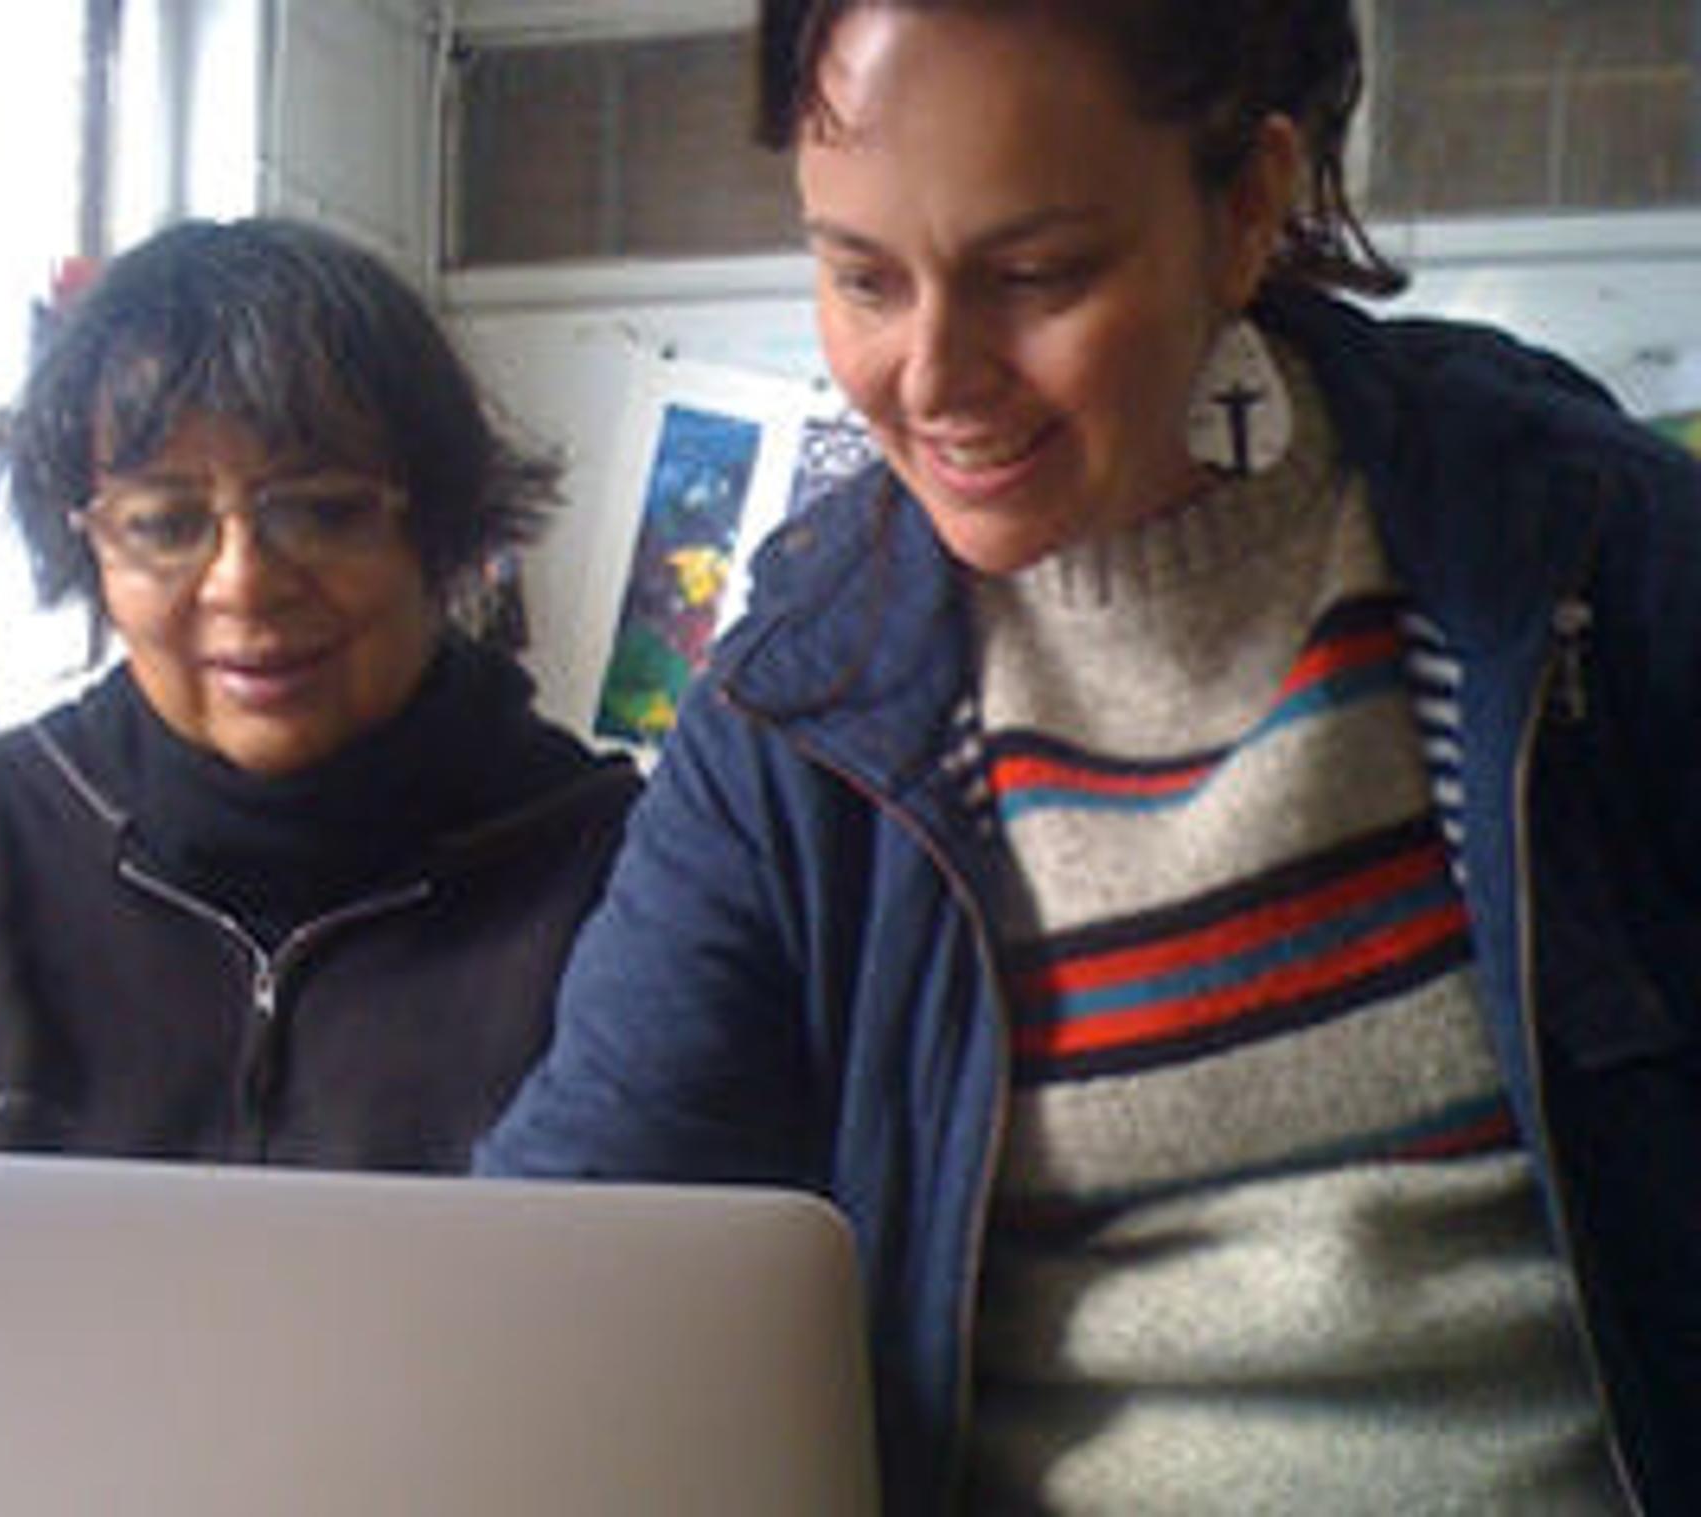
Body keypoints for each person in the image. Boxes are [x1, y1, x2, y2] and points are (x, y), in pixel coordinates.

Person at [475, 3, 1699, 1511]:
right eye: (860, 278)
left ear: (1249, 203)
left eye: (1035, 276)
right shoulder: (799, 709)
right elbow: (573, 1251)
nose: (928, 378)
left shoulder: (1583, 556)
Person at [0, 217, 637, 1169]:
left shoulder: (612, 870)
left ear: (443, 526)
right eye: (166, 524)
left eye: (325, 511)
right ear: (87, 547)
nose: (243, 582)